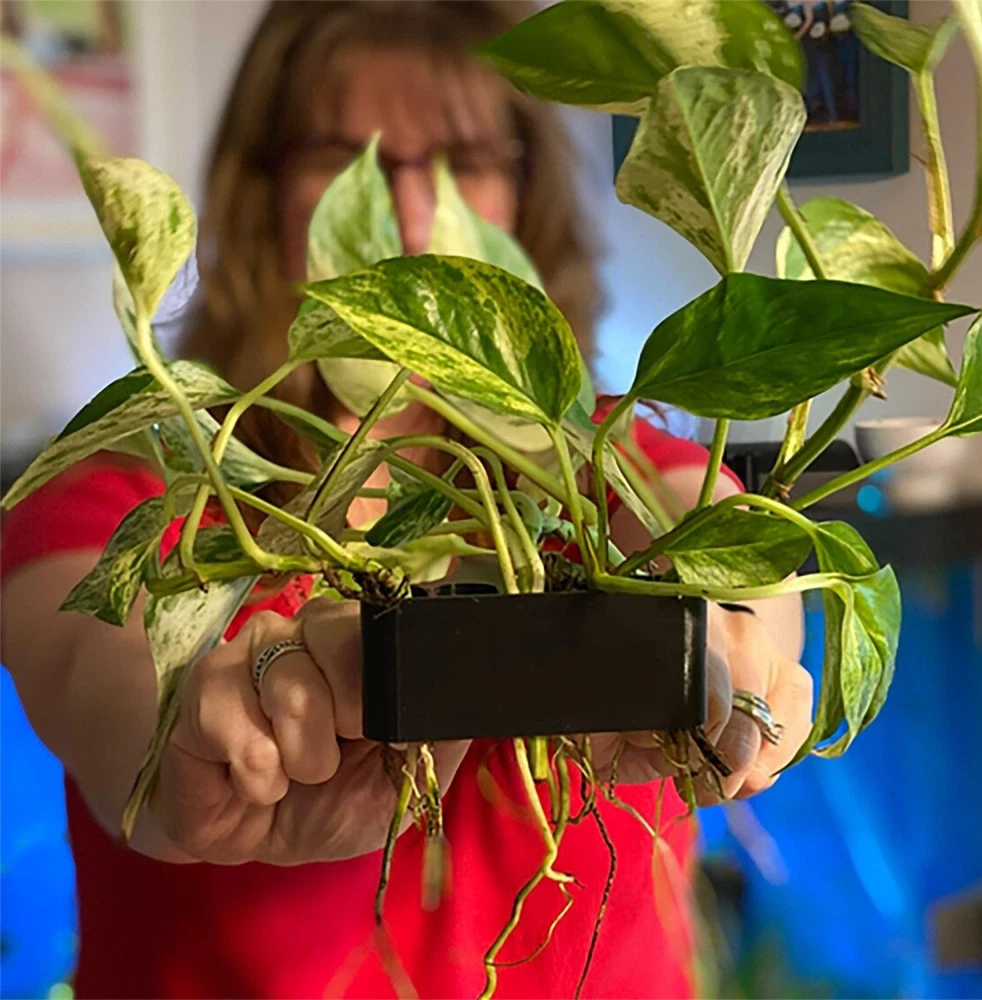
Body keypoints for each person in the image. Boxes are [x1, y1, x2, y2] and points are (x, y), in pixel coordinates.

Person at [1, 3, 812, 997]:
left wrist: (732, 641)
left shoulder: (596, 452)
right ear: (263, 189)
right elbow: (96, 674)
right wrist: (193, 743)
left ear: (524, 194)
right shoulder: (146, 480)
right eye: (350, 160)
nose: (409, 212)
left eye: (464, 161)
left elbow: (718, 546)